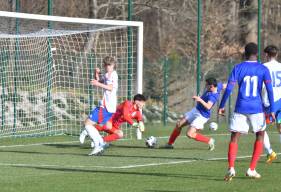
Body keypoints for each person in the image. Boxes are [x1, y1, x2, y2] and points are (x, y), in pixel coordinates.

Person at [219, 42, 275, 181]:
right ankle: (251, 169)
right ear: (257, 54)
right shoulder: (263, 69)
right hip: (257, 108)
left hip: (240, 107)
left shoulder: (238, 68)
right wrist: (272, 109)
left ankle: (231, 168)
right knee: (260, 135)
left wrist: (221, 105)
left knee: (234, 137)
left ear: (245, 53)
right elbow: (269, 90)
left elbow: (229, 89)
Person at [164, 77, 226, 151]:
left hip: (202, 116)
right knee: (179, 125)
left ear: (211, 86)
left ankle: (209, 141)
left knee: (189, 134)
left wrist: (200, 99)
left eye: (207, 85)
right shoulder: (217, 86)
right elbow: (225, 85)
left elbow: (208, 106)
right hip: (196, 110)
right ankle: (169, 144)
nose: (205, 86)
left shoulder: (213, 96)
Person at [79, 56, 118, 148]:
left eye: (110, 65)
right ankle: (100, 142)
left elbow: (110, 87)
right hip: (108, 107)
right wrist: (96, 73)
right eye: (106, 65)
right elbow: (98, 81)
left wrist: (98, 83)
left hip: (106, 106)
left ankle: (98, 144)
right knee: (92, 124)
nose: (108, 67)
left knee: (88, 124)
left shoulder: (113, 75)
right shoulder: (107, 75)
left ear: (113, 65)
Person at [262, 45, 281, 163]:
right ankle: (270, 152)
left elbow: (262, 86)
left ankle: (270, 152)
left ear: (266, 55)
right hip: (280, 100)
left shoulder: (263, 67)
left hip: (269, 102)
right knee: (280, 128)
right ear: (277, 55)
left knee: (260, 128)